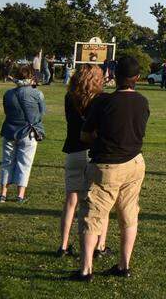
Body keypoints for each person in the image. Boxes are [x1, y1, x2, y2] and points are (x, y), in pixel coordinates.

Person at [73, 55, 149, 281]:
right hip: (135, 162)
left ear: (114, 76)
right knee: (129, 215)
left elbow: (85, 135)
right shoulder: (143, 101)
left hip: (107, 165)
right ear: (137, 78)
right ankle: (124, 265)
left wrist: (98, 136)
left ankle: (86, 269)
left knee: (92, 216)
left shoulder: (104, 102)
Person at [60, 64, 107, 257]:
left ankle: (62, 245)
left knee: (71, 201)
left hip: (73, 150)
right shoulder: (100, 100)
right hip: (93, 151)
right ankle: (99, 245)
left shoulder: (69, 97)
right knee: (100, 202)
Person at [0, 63, 45, 203]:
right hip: (28, 131)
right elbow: (41, 113)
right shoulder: (37, 93)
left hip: (9, 130)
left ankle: (3, 194)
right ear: (31, 76)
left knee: (7, 162)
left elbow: (7, 112)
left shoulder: (8, 94)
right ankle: (20, 195)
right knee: (24, 163)